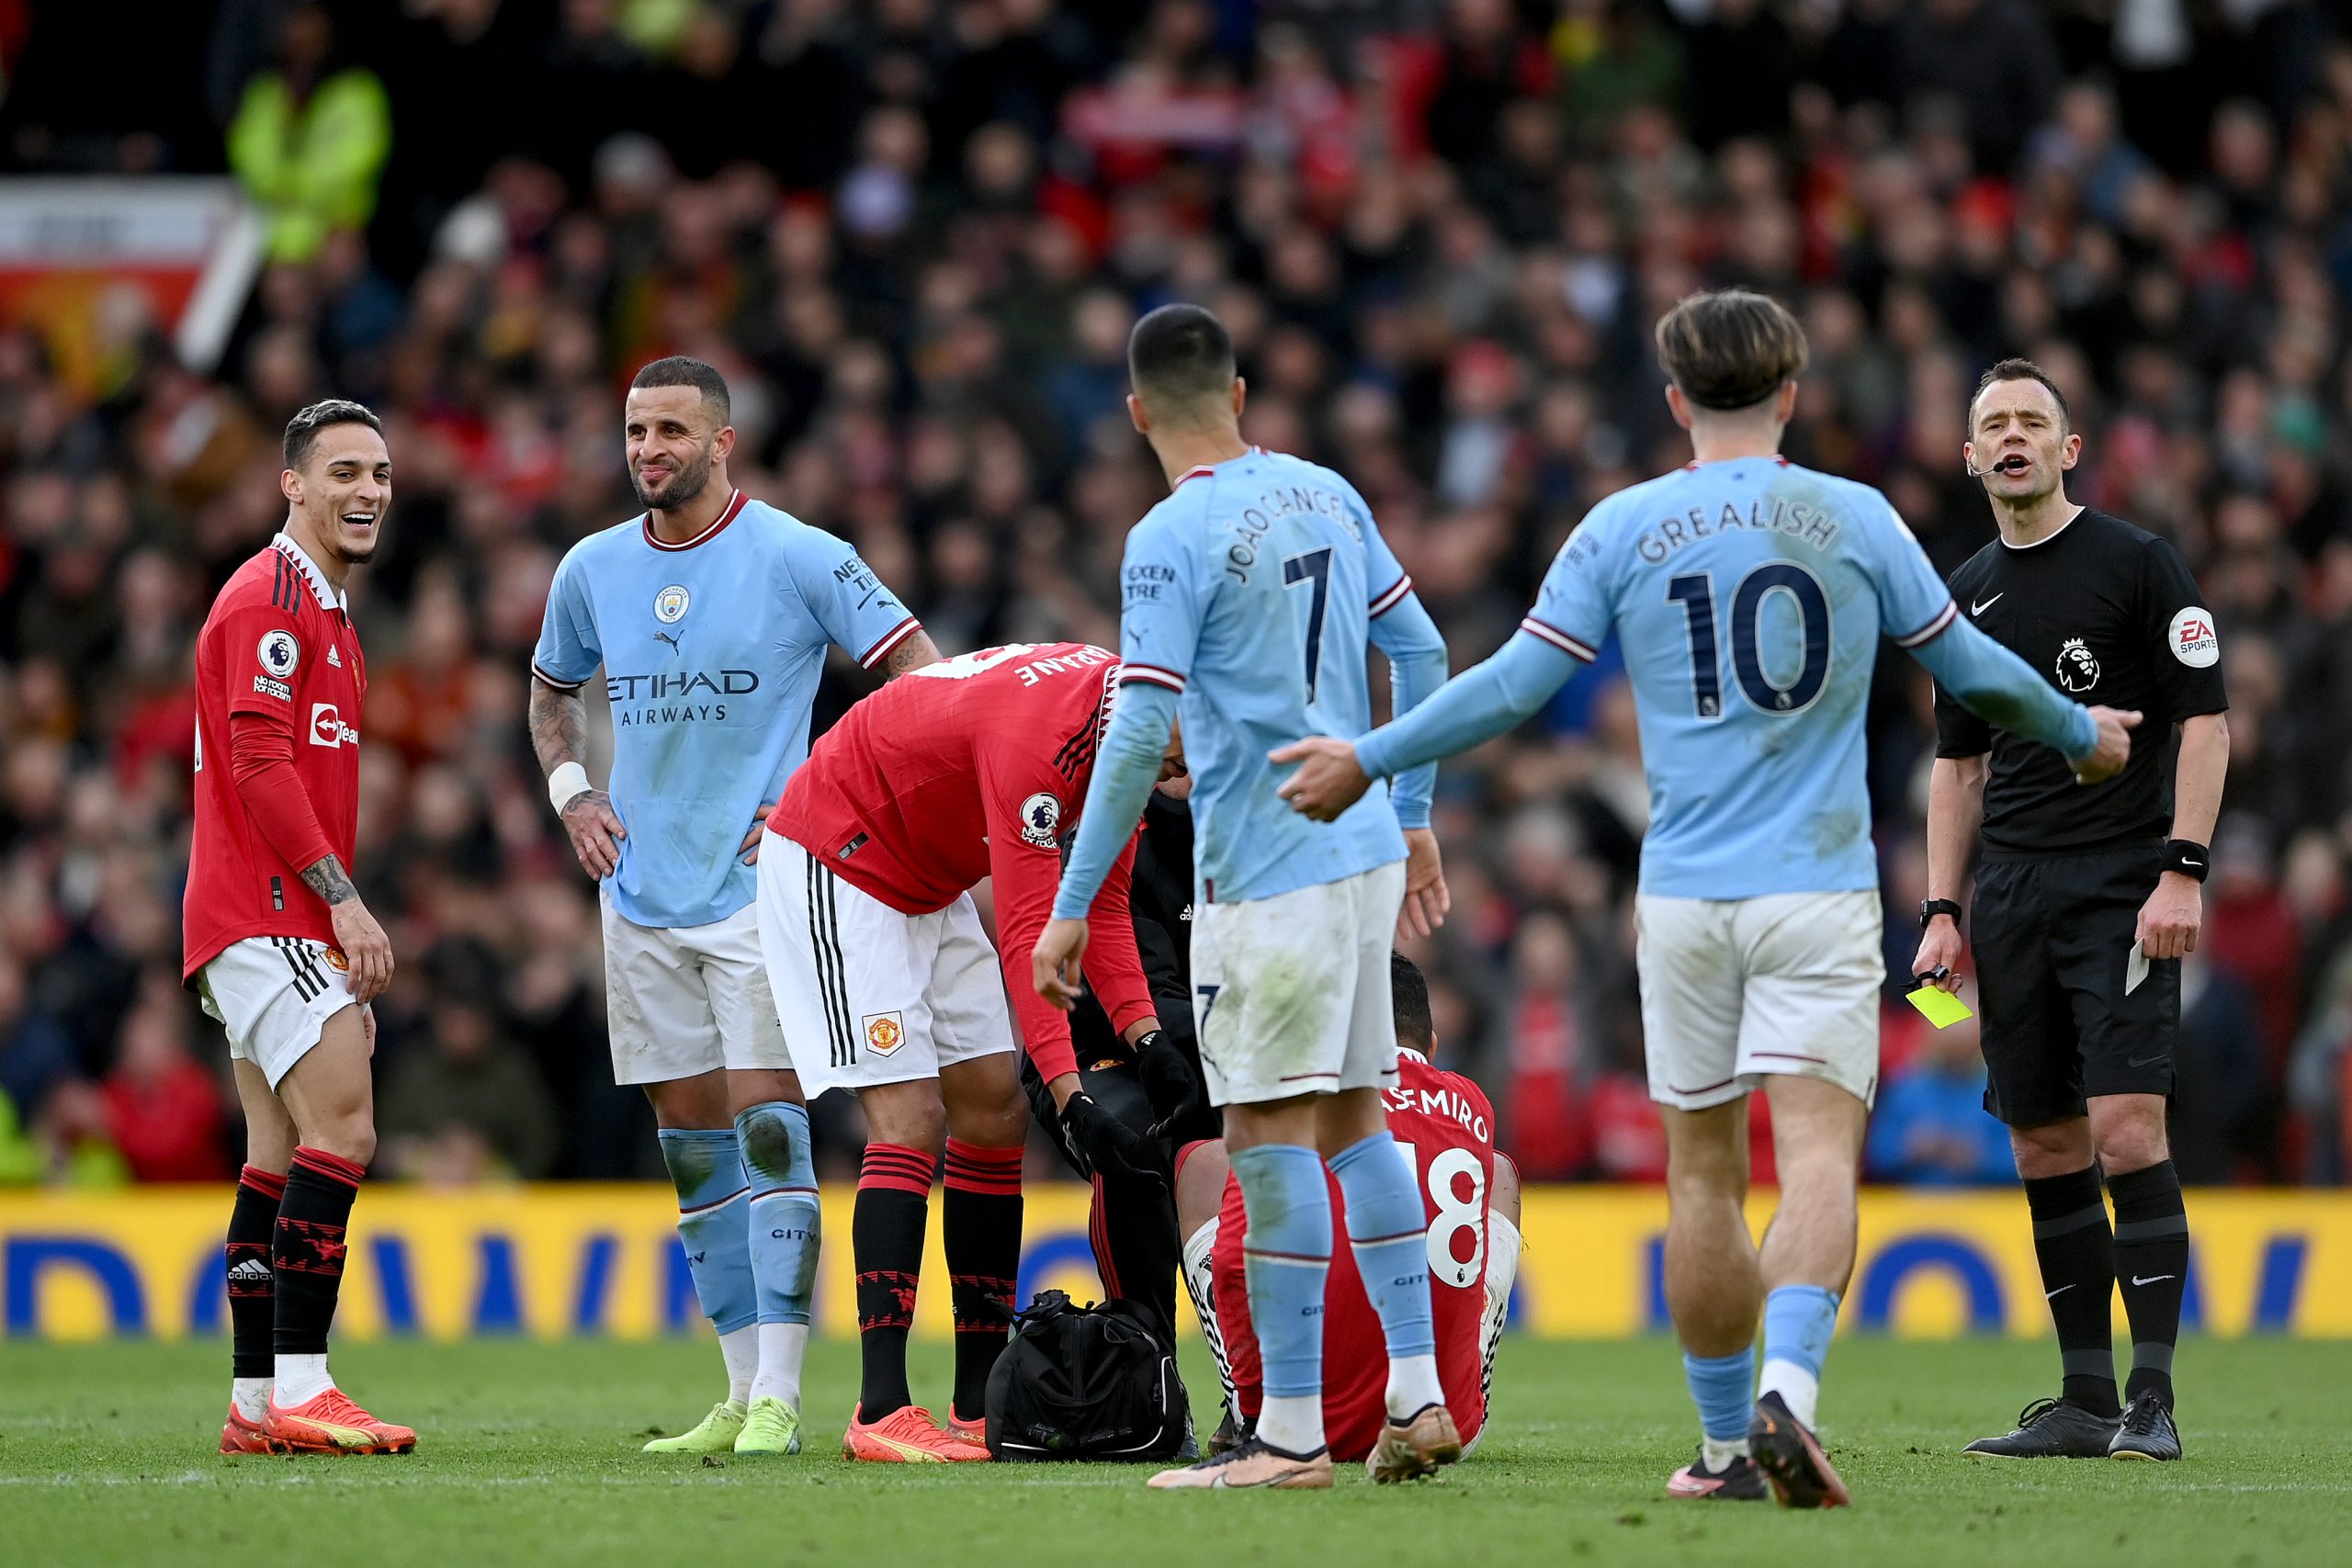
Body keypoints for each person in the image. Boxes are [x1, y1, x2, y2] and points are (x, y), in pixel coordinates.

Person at [1272, 290, 2135, 1507]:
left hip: (1680, 901)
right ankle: (1790, 1386)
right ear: (1791, 393)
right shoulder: (1855, 517)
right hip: (1818, 889)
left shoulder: (1623, 524)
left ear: (1677, 400)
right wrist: (2080, 728)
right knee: (1821, 1150)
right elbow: (1975, 670)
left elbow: (1513, 683)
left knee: (1703, 1180)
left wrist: (1369, 753)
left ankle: (1727, 1445)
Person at [1036, 302, 1457, 1492]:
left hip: (1267, 867)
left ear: (1135, 414)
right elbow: (1422, 654)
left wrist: (1073, 902)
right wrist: (1413, 811)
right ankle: (1417, 1391)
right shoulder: (1328, 490)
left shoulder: (1169, 534)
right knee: (1357, 1118)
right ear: (1241, 391)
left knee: (1264, 1138)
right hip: (1365, 843)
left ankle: (1290, 1436)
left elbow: (1134, 737)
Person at [529, 356, 936, 1459]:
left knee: (770, 1125)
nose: (646, 449)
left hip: (764, 892)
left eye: (669, 430)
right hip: (640, 894)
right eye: (634, 430)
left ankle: (783, 1400)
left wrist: (829, 797)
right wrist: (573, 796)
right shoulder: (592, 568)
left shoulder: (803, 555)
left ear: (722, 443)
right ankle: (736, 1387)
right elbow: (550, 689)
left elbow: (921, 675)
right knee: (693, 1147)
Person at [1912, 358, 2229, 1464]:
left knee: (2124, 1126)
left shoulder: (2139, 564)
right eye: (1990, 424)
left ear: (2067, 448)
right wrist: (1942, 909)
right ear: (1968, 456)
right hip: (2007, 896)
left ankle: (2152, 1401)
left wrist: (2181, 868)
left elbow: (2205, 724)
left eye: (2030, 422)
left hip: (2120, 884)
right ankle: (2083, 1398)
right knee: (2044, 1144)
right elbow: (1955, 771)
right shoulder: (1959, 594)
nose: (2010, 437)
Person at [760, 640, 1178, 1462]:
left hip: (924, 876)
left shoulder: (1124, 727)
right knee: (910, 1117)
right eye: (1178, 758)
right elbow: (1032, 932)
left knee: (993, 1107)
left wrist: (1149, 1039)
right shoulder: (1044, 745)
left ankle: (977, 1397)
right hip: (842, 854)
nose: (1174, 779)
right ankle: (879, 1407)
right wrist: (1074, 1093)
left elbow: (1106, 909)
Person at [185, 399, 408, 1455]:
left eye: (379, 475)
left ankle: (255, 1402)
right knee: (346, 1129)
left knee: (274, 1152)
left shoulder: (328, 611)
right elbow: (258, 762)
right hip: (266, 909)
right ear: (294, 485)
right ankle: (310, 1385)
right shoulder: (271, 595)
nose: (367, 492)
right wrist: (344, 903)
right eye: (345, 473)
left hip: (266, 916)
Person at [1179, 954, 1523, 1464]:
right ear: (1431, 1044)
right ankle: (1460, 1393)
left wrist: (1255, 1411)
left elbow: (1232, 1265)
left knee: (1203, 1162)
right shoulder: (1472, 1103)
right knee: (1499, 1173)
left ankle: (1248, 1410)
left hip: (1299, 1421)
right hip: (1449, 1420)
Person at [1018, 768, 1213, 1348]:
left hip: (1215, 1053)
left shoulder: (1261, 831)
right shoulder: (1109, 827)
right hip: (1093, 1054)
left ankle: (1263, 1395)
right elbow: (1137, 989)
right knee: (1133, 1136)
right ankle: (1149, 1360)